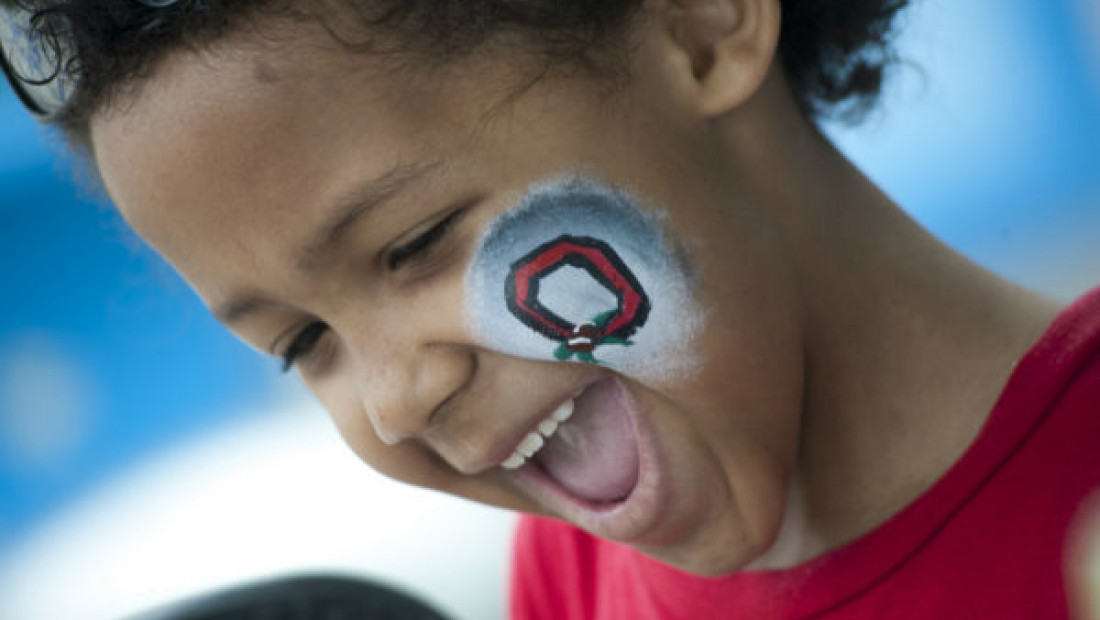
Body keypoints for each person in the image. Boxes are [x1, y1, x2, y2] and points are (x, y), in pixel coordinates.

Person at [2, 0, 1098, 618]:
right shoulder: (570, 581)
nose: (394, 396)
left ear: (699, 29)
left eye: (413, 243)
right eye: (304, 342)